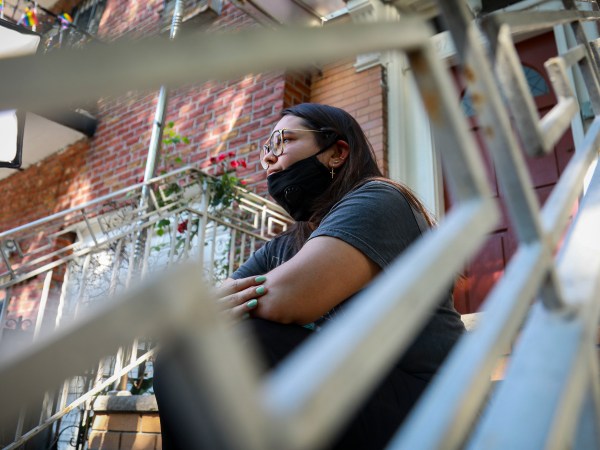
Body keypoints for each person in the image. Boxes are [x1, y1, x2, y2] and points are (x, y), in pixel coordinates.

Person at [154, 103, 465, 449]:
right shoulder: (284, 246)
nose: (270, 159)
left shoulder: (381, 199)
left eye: (283, 141)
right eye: (265, 150)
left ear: (336, 153)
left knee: (248, 341)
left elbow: (286, 298)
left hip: (432, 399)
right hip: (358, 388)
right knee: (181, 356)